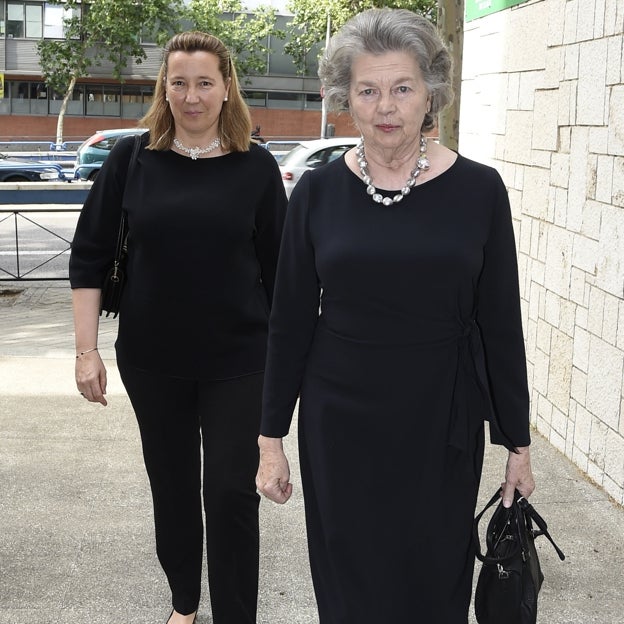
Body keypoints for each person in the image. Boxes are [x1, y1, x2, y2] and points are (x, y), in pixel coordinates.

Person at [256, 8, 535, 623]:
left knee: (434, 581)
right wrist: (270, 438)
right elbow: (291, 321)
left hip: (441, 420)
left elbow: (500, 323)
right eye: (368, 90)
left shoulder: (480, 191)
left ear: (430, 94)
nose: (387, 106)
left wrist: (517, 441)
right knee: (349, 583)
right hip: (340, 425)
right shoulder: (317, 192)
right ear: (344, 99)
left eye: (402, 88)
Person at [70, 31, 287, 624]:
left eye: (204, 82)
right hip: (153, 359)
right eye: (178, 82)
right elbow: (89, 257)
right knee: (172, 489)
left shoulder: (256, 168)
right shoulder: (130, 159)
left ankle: (236, 613)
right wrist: (86, 353)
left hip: (241, 361)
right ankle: (184, 606)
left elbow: (282, 274)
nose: (191, 96)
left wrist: (295, 365)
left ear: (226, 89)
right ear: (164, 88)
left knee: (229, 491)